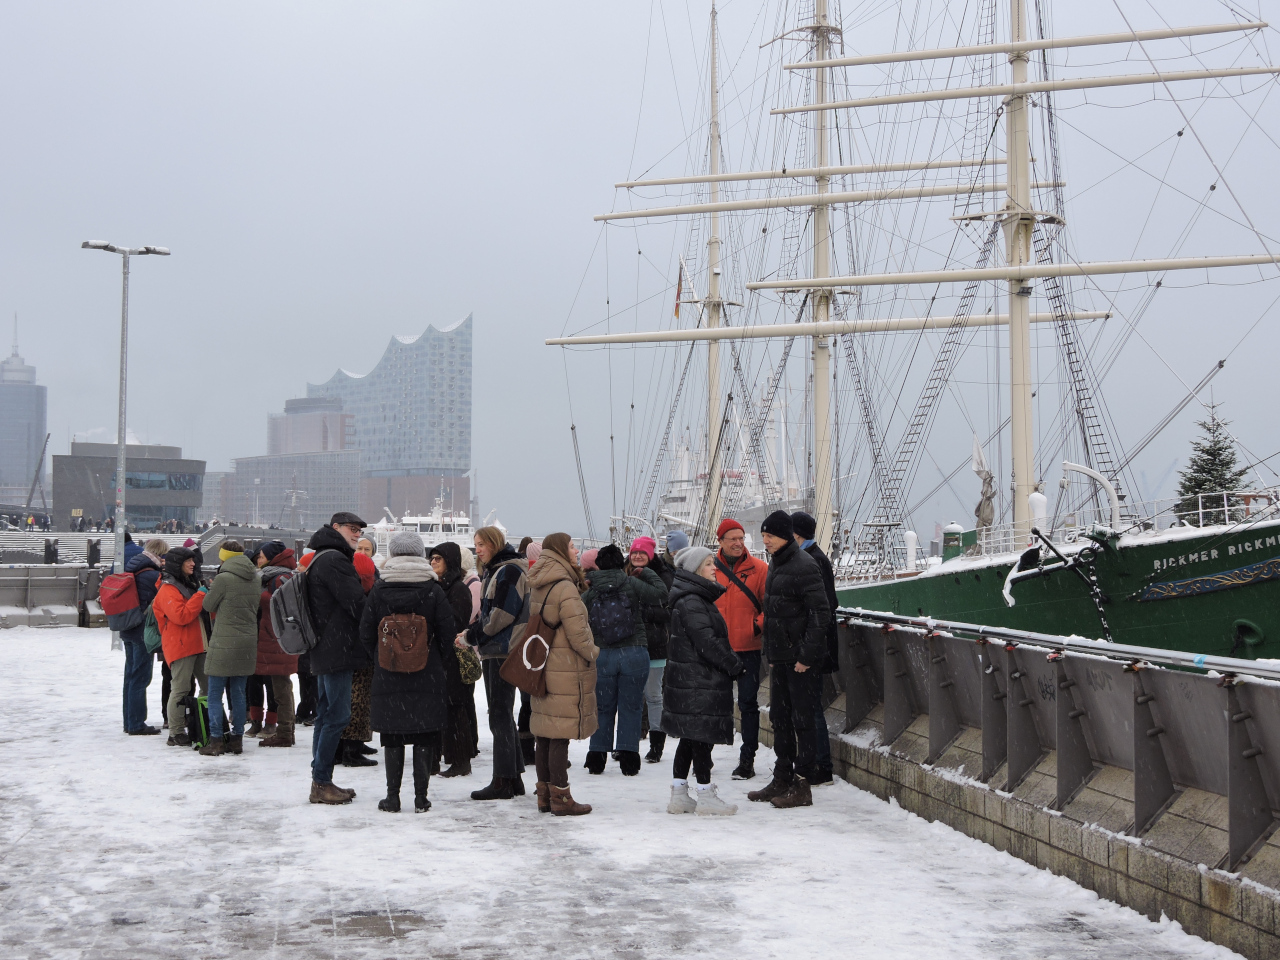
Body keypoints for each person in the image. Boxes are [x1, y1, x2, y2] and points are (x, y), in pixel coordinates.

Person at [359, 532, 456, 813]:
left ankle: (392, 797)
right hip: (427, 672)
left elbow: (365, 633)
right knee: (424, 733)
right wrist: (432, 657)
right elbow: (448, 632)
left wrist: (383, 658)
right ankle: (421, 798)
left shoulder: (379, 589)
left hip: (389, 672)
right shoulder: (433, 590)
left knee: (392, 734)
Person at [747, 511, 829, 810]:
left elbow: (820, 614)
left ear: (784, 535)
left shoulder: (804, 565)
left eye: (769, 535)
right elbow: (777, 612)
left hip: (799, 660)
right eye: (764, 535)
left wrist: (806, 656)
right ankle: (782, 777)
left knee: (802, 720)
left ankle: (802, 784)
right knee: (780, 719)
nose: (764, 540)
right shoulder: (778, 564)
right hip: (780, 657)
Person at [663, 545, 745, 815]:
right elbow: (707, 643)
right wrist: (734, 665)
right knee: (699, 739)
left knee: (690, 737)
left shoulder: (691, 598)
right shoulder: (693, 601)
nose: (715, 568)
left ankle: (679, 795)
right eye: (710, 563)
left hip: (691, 679)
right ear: (696, 569)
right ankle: (706, 795)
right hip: (697, 681)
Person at [581, 542, 667, 776]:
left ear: (598, 564)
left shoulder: (592, 590)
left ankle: (597, 756)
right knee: (632, 706)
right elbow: (661, 593)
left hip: (603, 654)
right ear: (622, 562)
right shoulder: (632, 584)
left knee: (603, 706)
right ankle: (629, 758)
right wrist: (645, 571)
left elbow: (578, 613)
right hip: (634, 651)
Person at [527, 533, 597, 815]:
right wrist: (593, 652)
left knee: (545, 732)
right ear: (559, 550)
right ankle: (562, 797)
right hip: (565, 665)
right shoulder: (565, 585)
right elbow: (578, 632)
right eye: (571, 545)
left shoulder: (540, 581)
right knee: (559, 735)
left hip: (544, 663)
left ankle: (544, 794)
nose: (575, 550)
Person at [305, 512, 371, 805]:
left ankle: (320, 776)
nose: (357, 534)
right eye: (352, 529)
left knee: (326, 712)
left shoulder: (321, 557)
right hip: (337, 649)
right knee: (338, 715)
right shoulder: (335, 560)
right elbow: (356, 603)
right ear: (336, 528)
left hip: (324, 647)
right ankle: (320, 781)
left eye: (359, 530)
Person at [467, 526, 528, 800]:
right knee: (502, 713)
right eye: (476, 544)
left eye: (481, 544)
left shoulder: (508, 570)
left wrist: (473, 635)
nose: (477, 549)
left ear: (494, 543)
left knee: (499, 714)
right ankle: (512, 778)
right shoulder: (500, 569)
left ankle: (503, 780)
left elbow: (501, 613)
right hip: (500, 648)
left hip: (503, 649)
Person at [711, 518, 769, 780]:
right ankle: (705, 756)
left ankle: (747, 759)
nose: (738, 543)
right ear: (720, 541)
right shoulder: (709, 569)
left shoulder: (759, 569)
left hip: (748, 648)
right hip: (717, 649)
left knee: (747, 704)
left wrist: (756, 627)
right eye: (732, 539)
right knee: (713, 705)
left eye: (741, 538)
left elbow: (771, 606)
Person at [199, 541, 263, 757]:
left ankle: (216, 741)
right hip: (247, 641)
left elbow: (208, 605)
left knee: (215, 693)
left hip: (224, 641)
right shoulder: (255, 578)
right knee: (238, 691)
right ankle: (237, 740)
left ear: (224, 557)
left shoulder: (223, 578)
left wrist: (207, 590)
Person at [792, 511, 839, 786]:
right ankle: (815, 762)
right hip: (814, 645)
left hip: (813, 648)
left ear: (796, 535)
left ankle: (822, 765)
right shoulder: (815, 558)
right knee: (810, 707)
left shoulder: (813, 561)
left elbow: (822, 608)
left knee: (812, 708)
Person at [428, 542, 478, 777]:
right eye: (432, 558)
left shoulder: (457, 589)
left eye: (438, 558)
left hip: (452, 657)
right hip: (438, 657)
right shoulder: (437, 586)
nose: (433, 562)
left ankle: (460, 760)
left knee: (455, 708)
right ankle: (438, 758)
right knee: (441, 708)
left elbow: (456, 623)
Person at [153, 546, 210, 745]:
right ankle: (175, 732)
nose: (193, 564)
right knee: (180, 688)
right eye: (189, 561)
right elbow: (181, 616)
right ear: (178, 564)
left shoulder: (186, 584)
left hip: (198, 643)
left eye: (193, 561)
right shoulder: (167, 589)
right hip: (181, 645)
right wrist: (201, 595)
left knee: (208, 687)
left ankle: (205, 724)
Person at [626, 536, 673, 764]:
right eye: (635, 552)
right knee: (631, 697)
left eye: (642, 553)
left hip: (655, 643)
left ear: (651, 555)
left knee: (653, 695)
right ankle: (628, 743)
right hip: (629, 643)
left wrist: (646, 614)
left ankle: (656, 744)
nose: (637, 556)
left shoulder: (663, 577)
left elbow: (671, 610)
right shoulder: (625, 574)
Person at [253, 542, 300, 748]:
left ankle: (284, 733)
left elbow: (282, 609)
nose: (258, 560)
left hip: (277, 639)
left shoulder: (278, 578)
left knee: (281, 688)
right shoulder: (283, 576)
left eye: (262, 556)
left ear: (272, 558)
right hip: (279, 639)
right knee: (282, 687)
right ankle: (287, 730)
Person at [121, 537, 167, 736]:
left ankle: (129, 721)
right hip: (141, 631)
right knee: (140, 677)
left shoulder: (133, 566)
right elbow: (161, 599)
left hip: (128, 627)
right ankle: (137, 723)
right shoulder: (151, 574)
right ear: (160, 554)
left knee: (130, 676)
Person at [340, 545, 380, 769]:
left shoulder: (346, 591)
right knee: (358, 700)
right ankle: (352, 749)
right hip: (359, 654)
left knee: (350, 700)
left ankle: (352, 744)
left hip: (348, 652)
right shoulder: (364, 597)